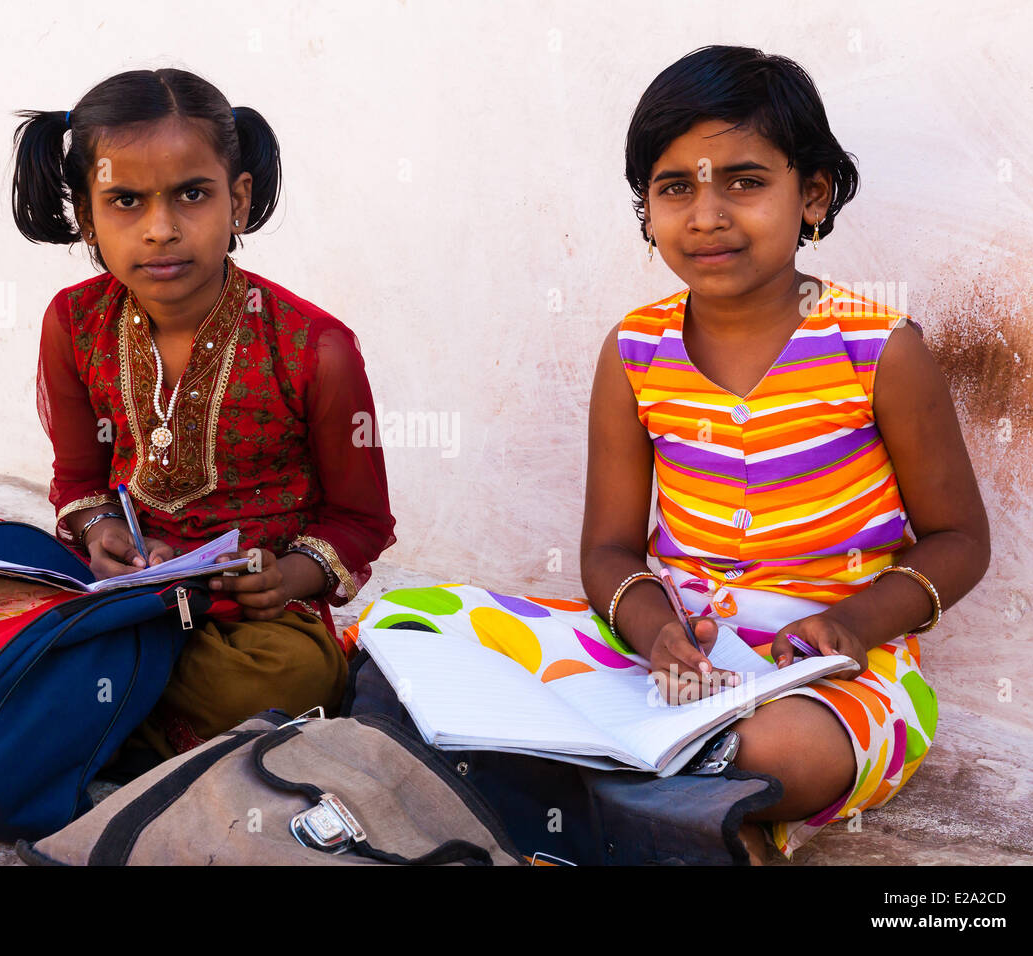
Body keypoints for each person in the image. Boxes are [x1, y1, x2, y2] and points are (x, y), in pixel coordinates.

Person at [349, 46, 989, 863]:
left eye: (746, 182)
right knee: (412, 629)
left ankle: (587, 788)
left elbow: (960, 542)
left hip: (825, 670)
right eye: (674, 185)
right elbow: (608, 551)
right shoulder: (636, 350)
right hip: (668, 654)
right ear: (646, 208)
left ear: (814, 195)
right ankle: (681, 815)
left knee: (776, 753)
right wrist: (656, 637)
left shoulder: (879, 350)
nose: (707, 213)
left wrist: (856, 622)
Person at [0, 68, 396, 762]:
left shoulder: (316, 348)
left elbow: (360, 521)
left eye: (193, 194)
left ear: (238, 201)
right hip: (98, 594)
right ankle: (69, 703)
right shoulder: (74, 322)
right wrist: (100, 531)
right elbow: (79, 483)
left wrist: (286, 577)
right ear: (86, 215)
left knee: (282, 679)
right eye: (126, 200)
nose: (161, 229)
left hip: (234, 619)